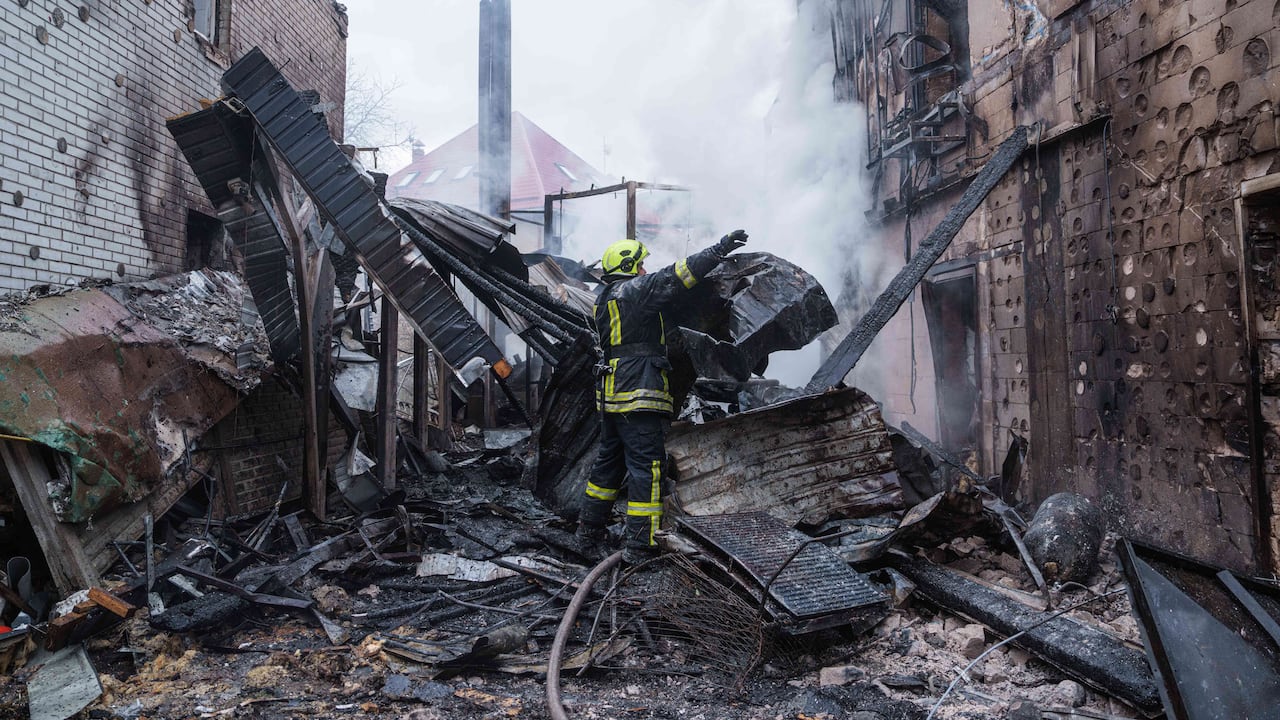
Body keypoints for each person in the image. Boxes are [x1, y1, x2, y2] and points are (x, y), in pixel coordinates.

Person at [575, 229, 749, 564]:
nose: (644, 270)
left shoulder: (605, 298)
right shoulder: (636, 291)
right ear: (630, 267)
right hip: (638, 393)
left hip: (612, 396)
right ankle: (640, 547)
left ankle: (587, 535)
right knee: (647, 469)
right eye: (640, 265)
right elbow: (677, 275)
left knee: (608, 468)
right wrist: (719, 249)